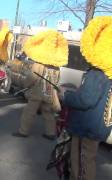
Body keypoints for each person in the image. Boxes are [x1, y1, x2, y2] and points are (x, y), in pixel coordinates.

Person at [61, 16, 112, 180]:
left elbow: (85, 100)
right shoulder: (108, 75)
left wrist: (66, 96)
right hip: (99, 126)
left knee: (81, 158)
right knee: (89, 158)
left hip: (85, 126)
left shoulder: (96, 74)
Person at [12, 30, 68, 140]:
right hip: (49, 94)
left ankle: (23, 131)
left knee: (29, 112)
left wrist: (24, 85)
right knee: (48, 113)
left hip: (36, 93)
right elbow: (56, 81)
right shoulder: (56, 68)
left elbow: (31, 78)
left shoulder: (38, 65)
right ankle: (50, 133)